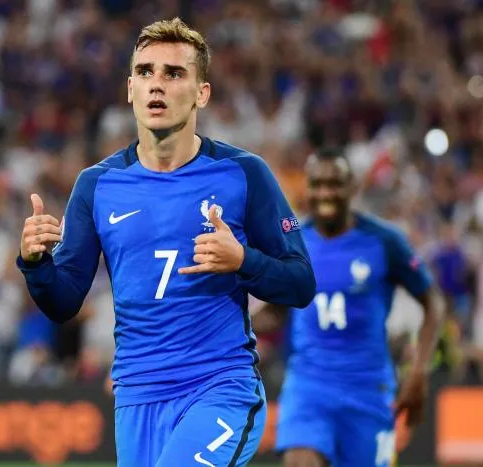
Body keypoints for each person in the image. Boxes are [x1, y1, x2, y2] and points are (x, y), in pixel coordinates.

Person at [16, 18, 316, 467]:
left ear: (201, 93)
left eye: (174, 73)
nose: (156, 84)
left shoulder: (243, 173)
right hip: (137, 397)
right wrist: (36, 262)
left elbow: (301, 283)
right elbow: (63, 302)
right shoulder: (97, 185)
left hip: (219, 387)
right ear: (130, 89)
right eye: (145, 72)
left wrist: (243, 260)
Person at [255, 148, 443, 467]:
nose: (325, 193)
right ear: (306, 188)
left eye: (334, 184)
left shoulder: (384, 241)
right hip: (309, 387)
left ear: (352, 187)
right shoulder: (292, 245)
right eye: (317, 184)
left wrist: (419, 372)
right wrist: (231, 323)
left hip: (367, 390)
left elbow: (432, 302)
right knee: (300, 460)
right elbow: (276, 310)